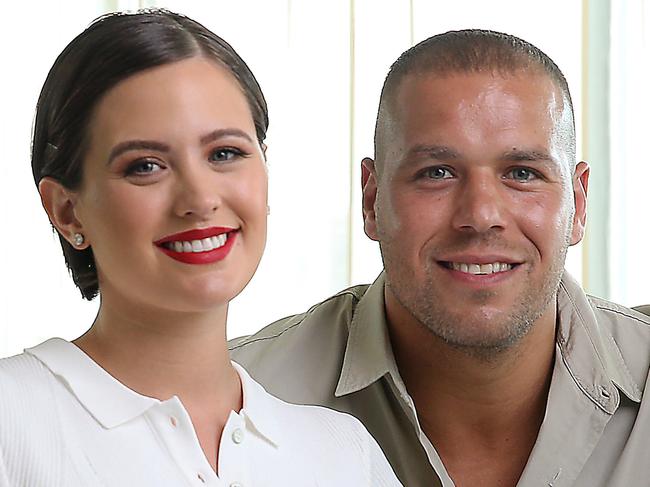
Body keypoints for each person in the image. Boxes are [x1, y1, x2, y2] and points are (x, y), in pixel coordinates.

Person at [230, 29, 650, 486]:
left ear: (578, 204)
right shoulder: (239, 399)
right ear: (372, 200)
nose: (481, 214)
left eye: (522, 173)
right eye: (437, 173)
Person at [0, 9, 402, 487]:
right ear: (67, 211)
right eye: (145, 165)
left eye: (224, 154)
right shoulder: (14, 421)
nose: (200, 199)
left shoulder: (342, 454)